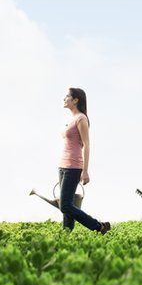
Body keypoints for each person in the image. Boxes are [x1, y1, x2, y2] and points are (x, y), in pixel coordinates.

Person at [58, 88, 110, 234]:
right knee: (66, 204)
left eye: (67, 96)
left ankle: (99, 226)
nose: (64, 98)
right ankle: (66, 234)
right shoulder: (71, 119)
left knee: (65, 205)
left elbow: (86, 144)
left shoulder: (81, 118)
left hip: (73, 166)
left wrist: (85, 171)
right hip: (63, 165)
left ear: (75, 100)